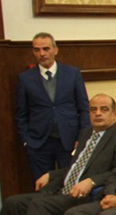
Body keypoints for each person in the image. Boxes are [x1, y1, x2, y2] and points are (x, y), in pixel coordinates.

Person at [16, 32, 90, 180]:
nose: (42, 53)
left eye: (46, 49)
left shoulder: (72, 73)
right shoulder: (25, 78)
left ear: (55, 50)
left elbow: (84, 108)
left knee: (70, 182)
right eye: (37, 50)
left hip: (69, 140)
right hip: (39, 142)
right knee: (43, 185)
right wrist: (26, 140)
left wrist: (82, 137)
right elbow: (21, 113)